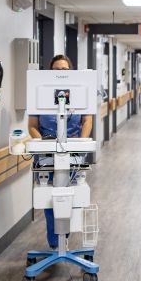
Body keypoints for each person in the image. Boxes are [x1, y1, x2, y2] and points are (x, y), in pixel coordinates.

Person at [27, 55, 94, 249]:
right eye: (56, 69)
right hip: (47, 154)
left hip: (73, 152)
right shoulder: (38, 94)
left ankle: (64, 236)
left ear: (70, 72)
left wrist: (81, 142)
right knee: (50, 197)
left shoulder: (81, 93)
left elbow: (87, 120)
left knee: (71, 195)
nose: (61, 73)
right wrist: (42, 144)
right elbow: (32, 125)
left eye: (65, 69)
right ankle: (56, 240)